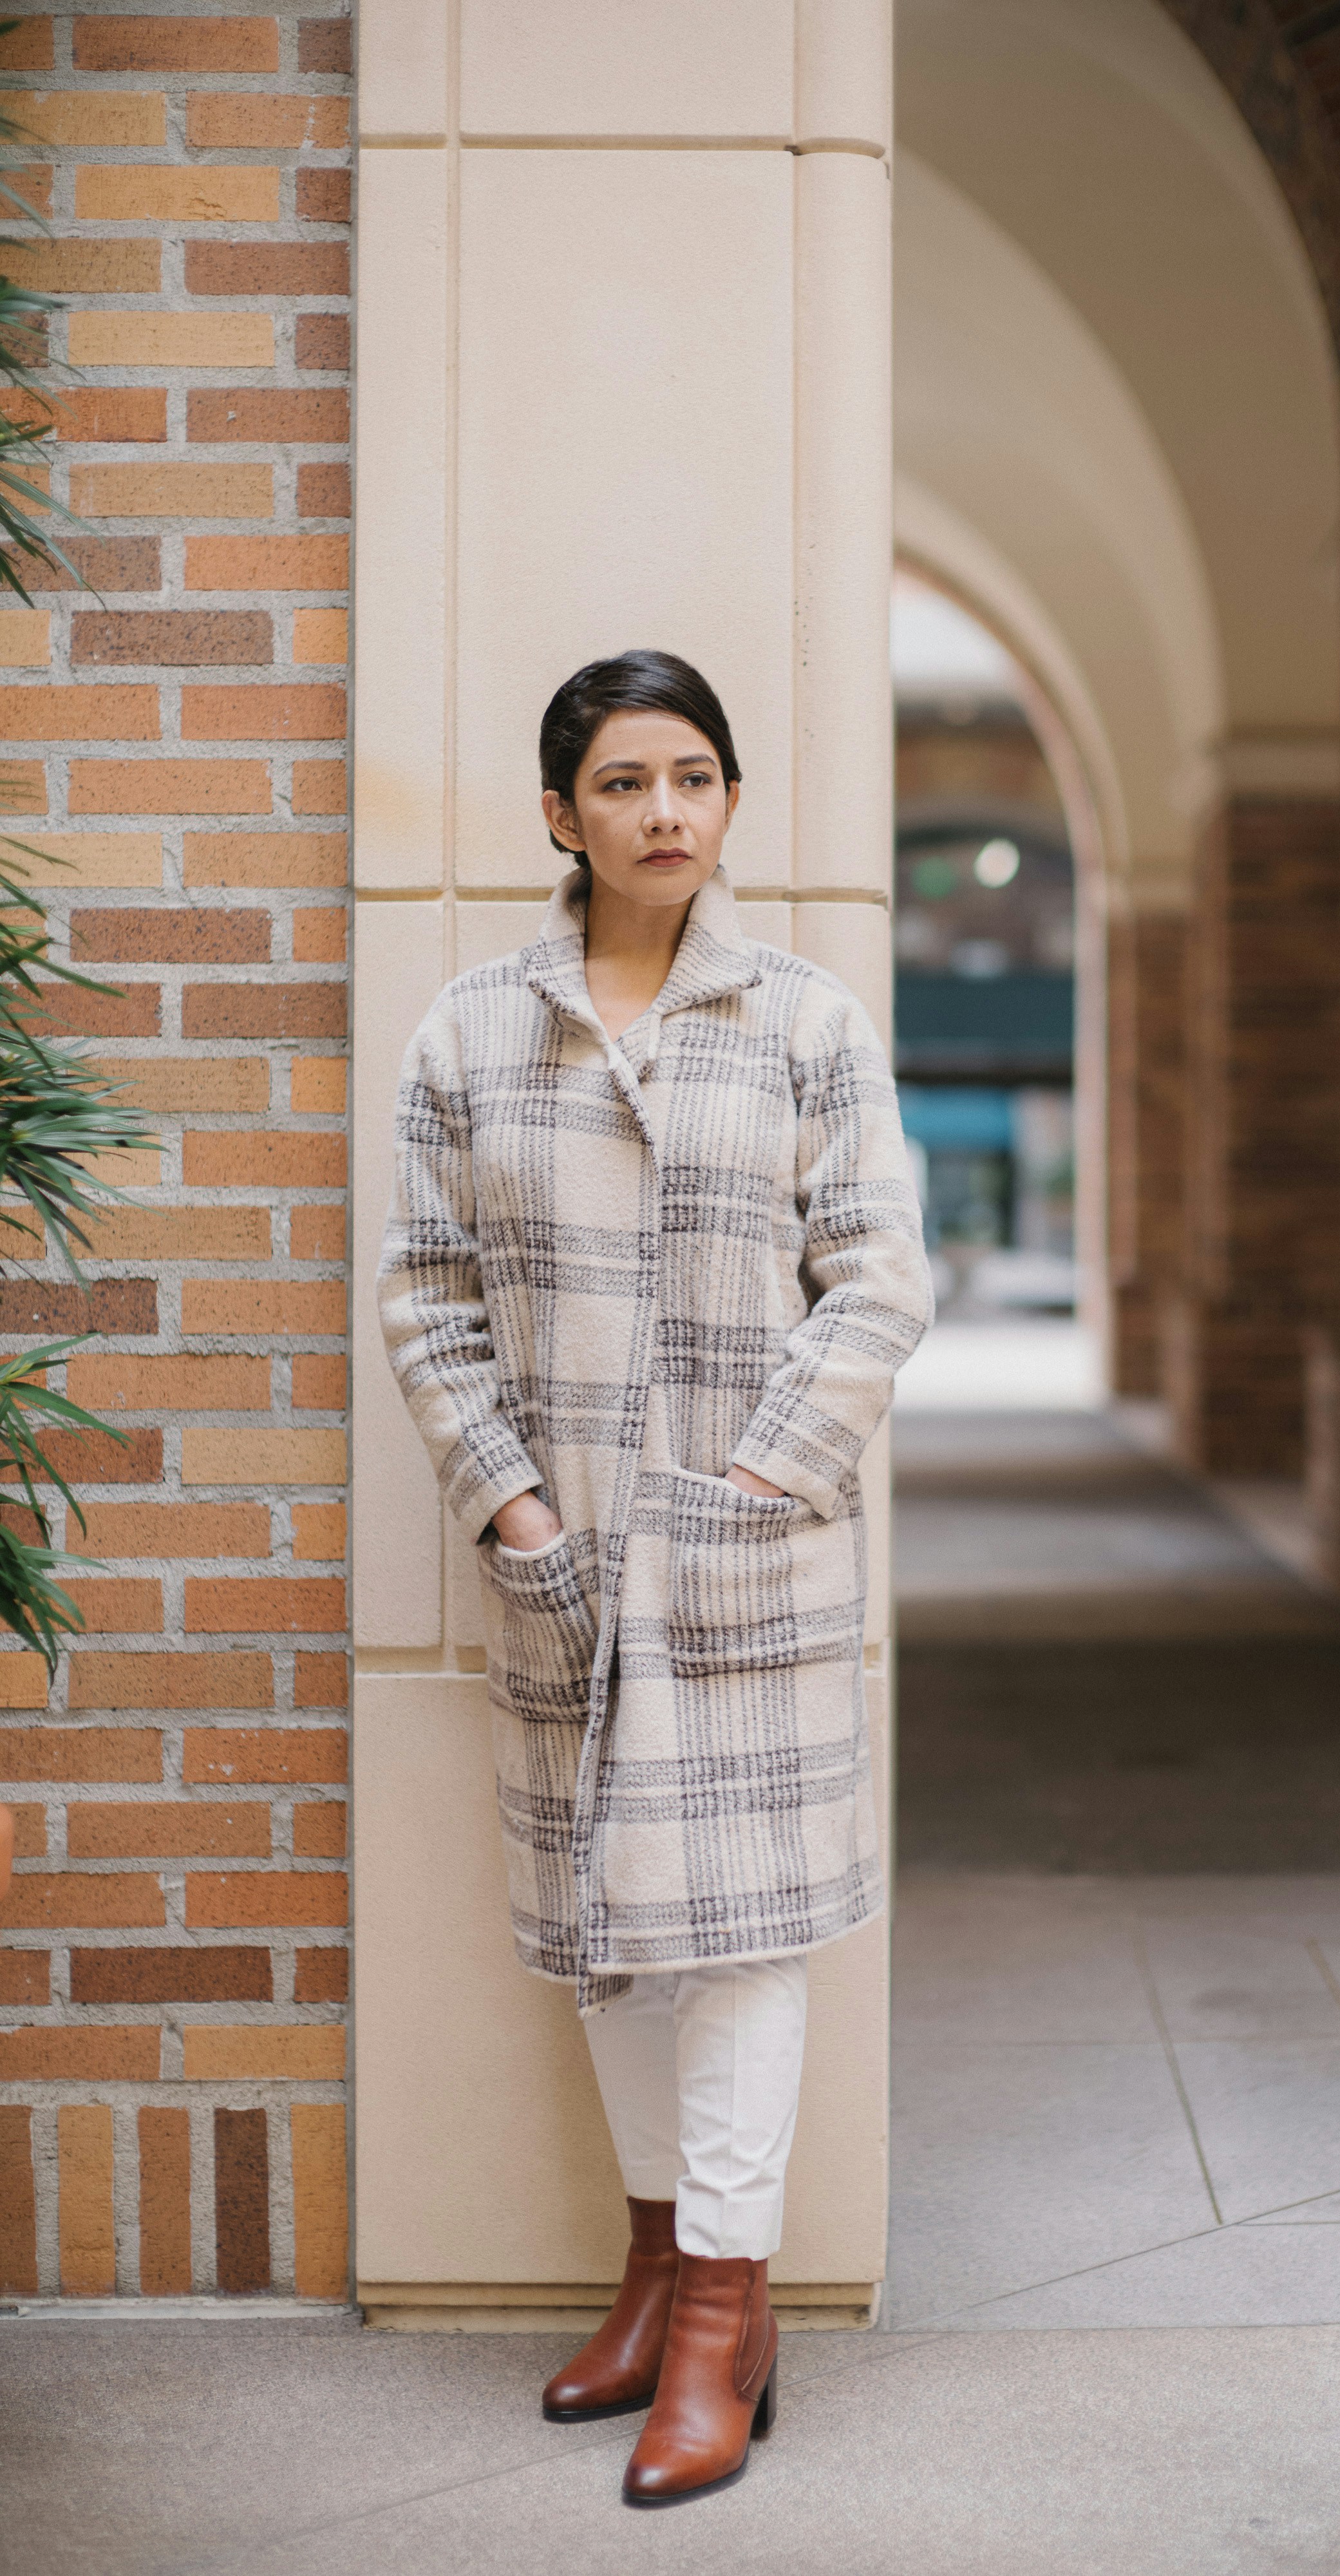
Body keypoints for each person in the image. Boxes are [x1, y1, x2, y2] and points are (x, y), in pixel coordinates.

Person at [377, 650, 932, 2505]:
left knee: (743, 1934)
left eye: (693, 775)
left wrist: (760, 1482)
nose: (663, 811)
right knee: (605, 1934)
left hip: (749, 1558)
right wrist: (516, 1514)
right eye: (623, 782)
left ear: (732, 799)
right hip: (567, 1562)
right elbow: (426, 1296)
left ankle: (721, 2314)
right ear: (562, 815)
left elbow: (878, 1279)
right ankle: (650, 2271)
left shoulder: (805, 1021)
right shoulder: (472, 1031)